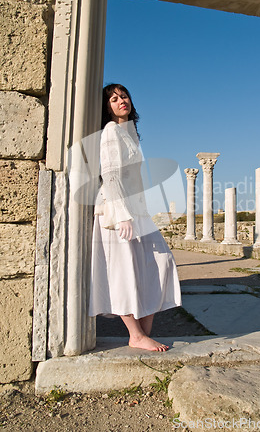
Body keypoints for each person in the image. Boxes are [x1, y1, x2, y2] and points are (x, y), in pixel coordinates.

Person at [89, 84, 181, 352]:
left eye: (124, 96)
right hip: (117, 212)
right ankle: (136, 335)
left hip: (137, 211)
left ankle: (143, 333)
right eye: (114, 99)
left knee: (160, 264)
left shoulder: (131, 134)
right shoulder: (110, 131)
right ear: (108, 108)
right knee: (123, 271)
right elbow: (111, 175)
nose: (121, 101)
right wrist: (122, 216)